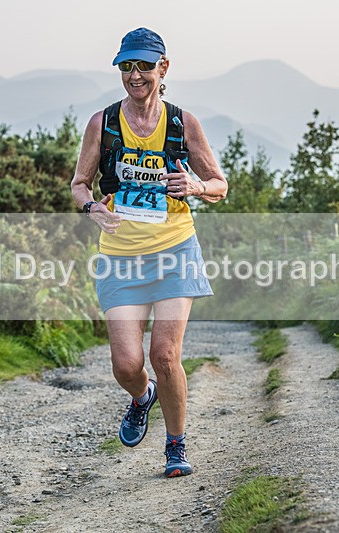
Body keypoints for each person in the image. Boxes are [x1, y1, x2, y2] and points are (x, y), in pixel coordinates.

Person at [71, 27, 227, 477]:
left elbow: (219, 183)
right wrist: (92, 209)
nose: (134, 75)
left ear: (164, 67)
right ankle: (142, 397)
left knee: (164, 354)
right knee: (127, 364)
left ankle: (176, 444)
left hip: (175, 249)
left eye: (143, 66)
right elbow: (81, 184)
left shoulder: (182, 123)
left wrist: (196, 186)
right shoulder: (102, 123)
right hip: (120, 254)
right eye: (126, 66)